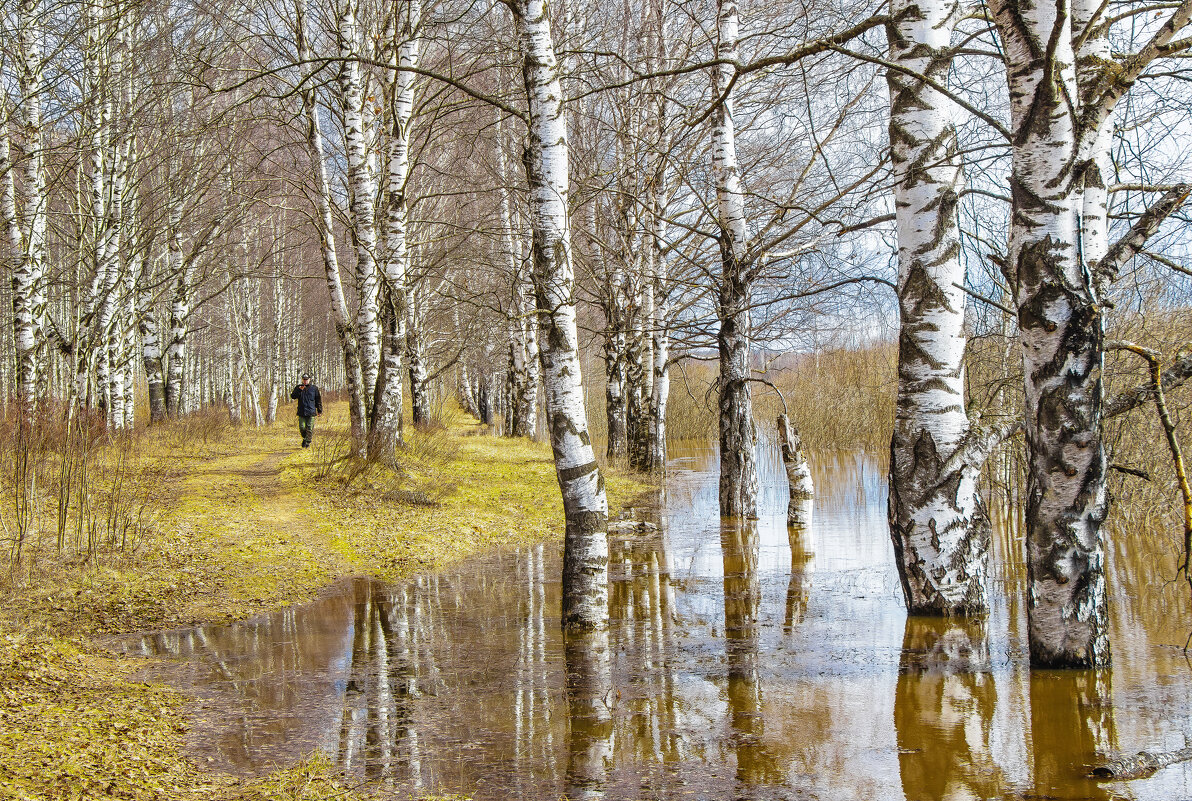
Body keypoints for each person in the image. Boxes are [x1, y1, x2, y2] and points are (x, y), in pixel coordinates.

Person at [290, 373, 323, 448]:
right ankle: (305, 438)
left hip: (311, 412)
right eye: (304, 379)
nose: (305, 381)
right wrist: (299, 390)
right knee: (302, 428)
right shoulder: (298, 387)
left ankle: (307, 442)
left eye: (306, 379)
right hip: (302, 412)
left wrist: (320, 410)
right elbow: (293, 396)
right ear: (302, 380)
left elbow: (318, 400)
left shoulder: (314, 388)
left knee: (309, 428)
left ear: (309, 379)